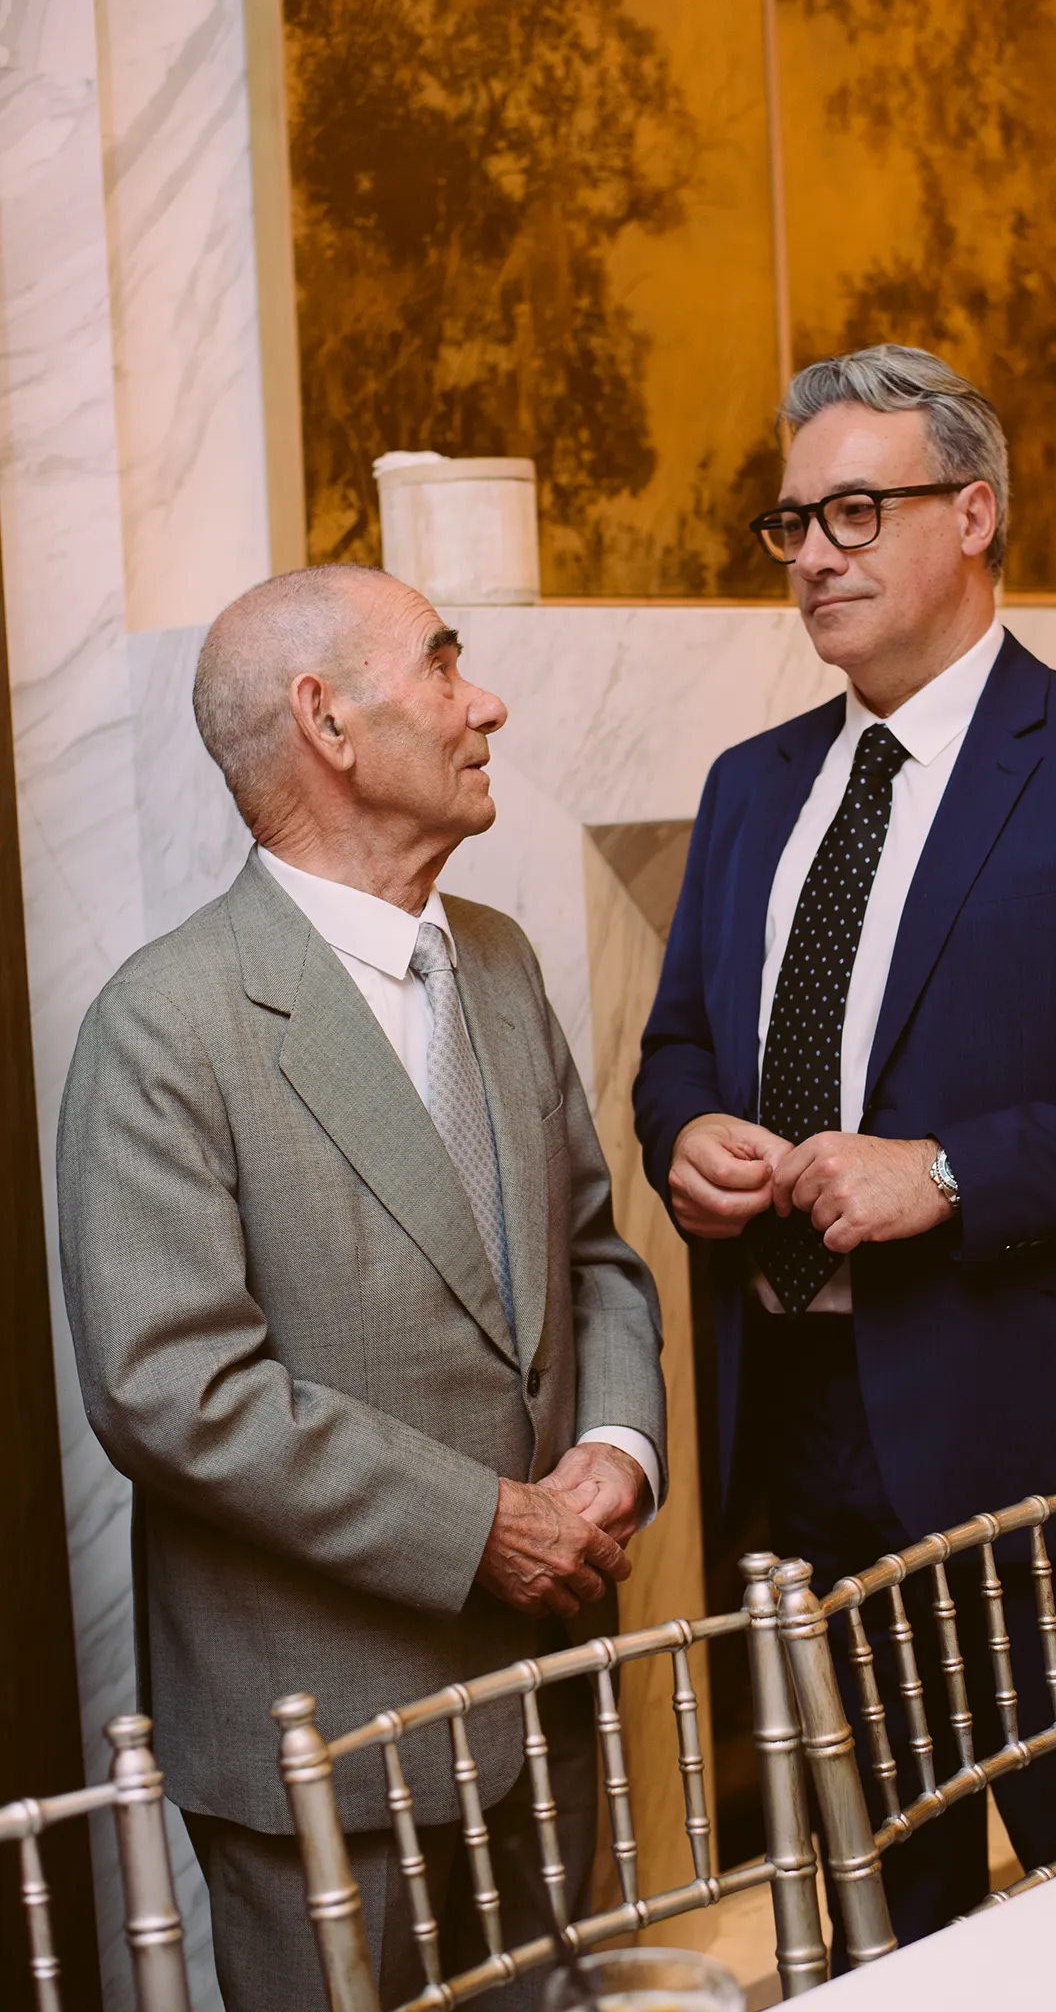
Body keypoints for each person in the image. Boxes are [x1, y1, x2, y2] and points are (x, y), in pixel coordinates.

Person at [634, 344, 1056, 1938]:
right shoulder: (746, 789)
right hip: (791, 1441)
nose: (812, 554)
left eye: (854, 511)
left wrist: (944, 1172)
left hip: (1032, 1457)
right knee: (878, 1921)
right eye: (791, 522)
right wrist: (687, 1132)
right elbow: (676, 1048)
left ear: (975, 512)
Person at [58, 565, 666, 2012]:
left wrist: (618, 1448)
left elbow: (594, 1255)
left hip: (544, 1710)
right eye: (444, 665)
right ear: (326, 723)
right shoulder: (162, 1024)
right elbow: (173, 1392)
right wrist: (483, 1527)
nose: (485, 703)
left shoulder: (499, 962)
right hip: (326, 1746)